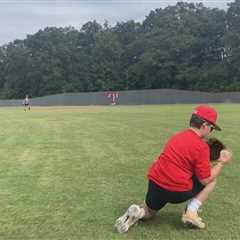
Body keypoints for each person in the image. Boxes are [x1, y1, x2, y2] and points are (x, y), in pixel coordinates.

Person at [114, 105, 232, 233]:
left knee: (150, 212)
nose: (211, 131)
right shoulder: (201, 146)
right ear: (204, 125)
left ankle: (139, 212)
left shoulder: (177, 137)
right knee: (212, 180)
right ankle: (191, 212)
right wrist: (221, 162)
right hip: (176, 190)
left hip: (155, 183)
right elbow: (205, 179)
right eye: (212, 128)